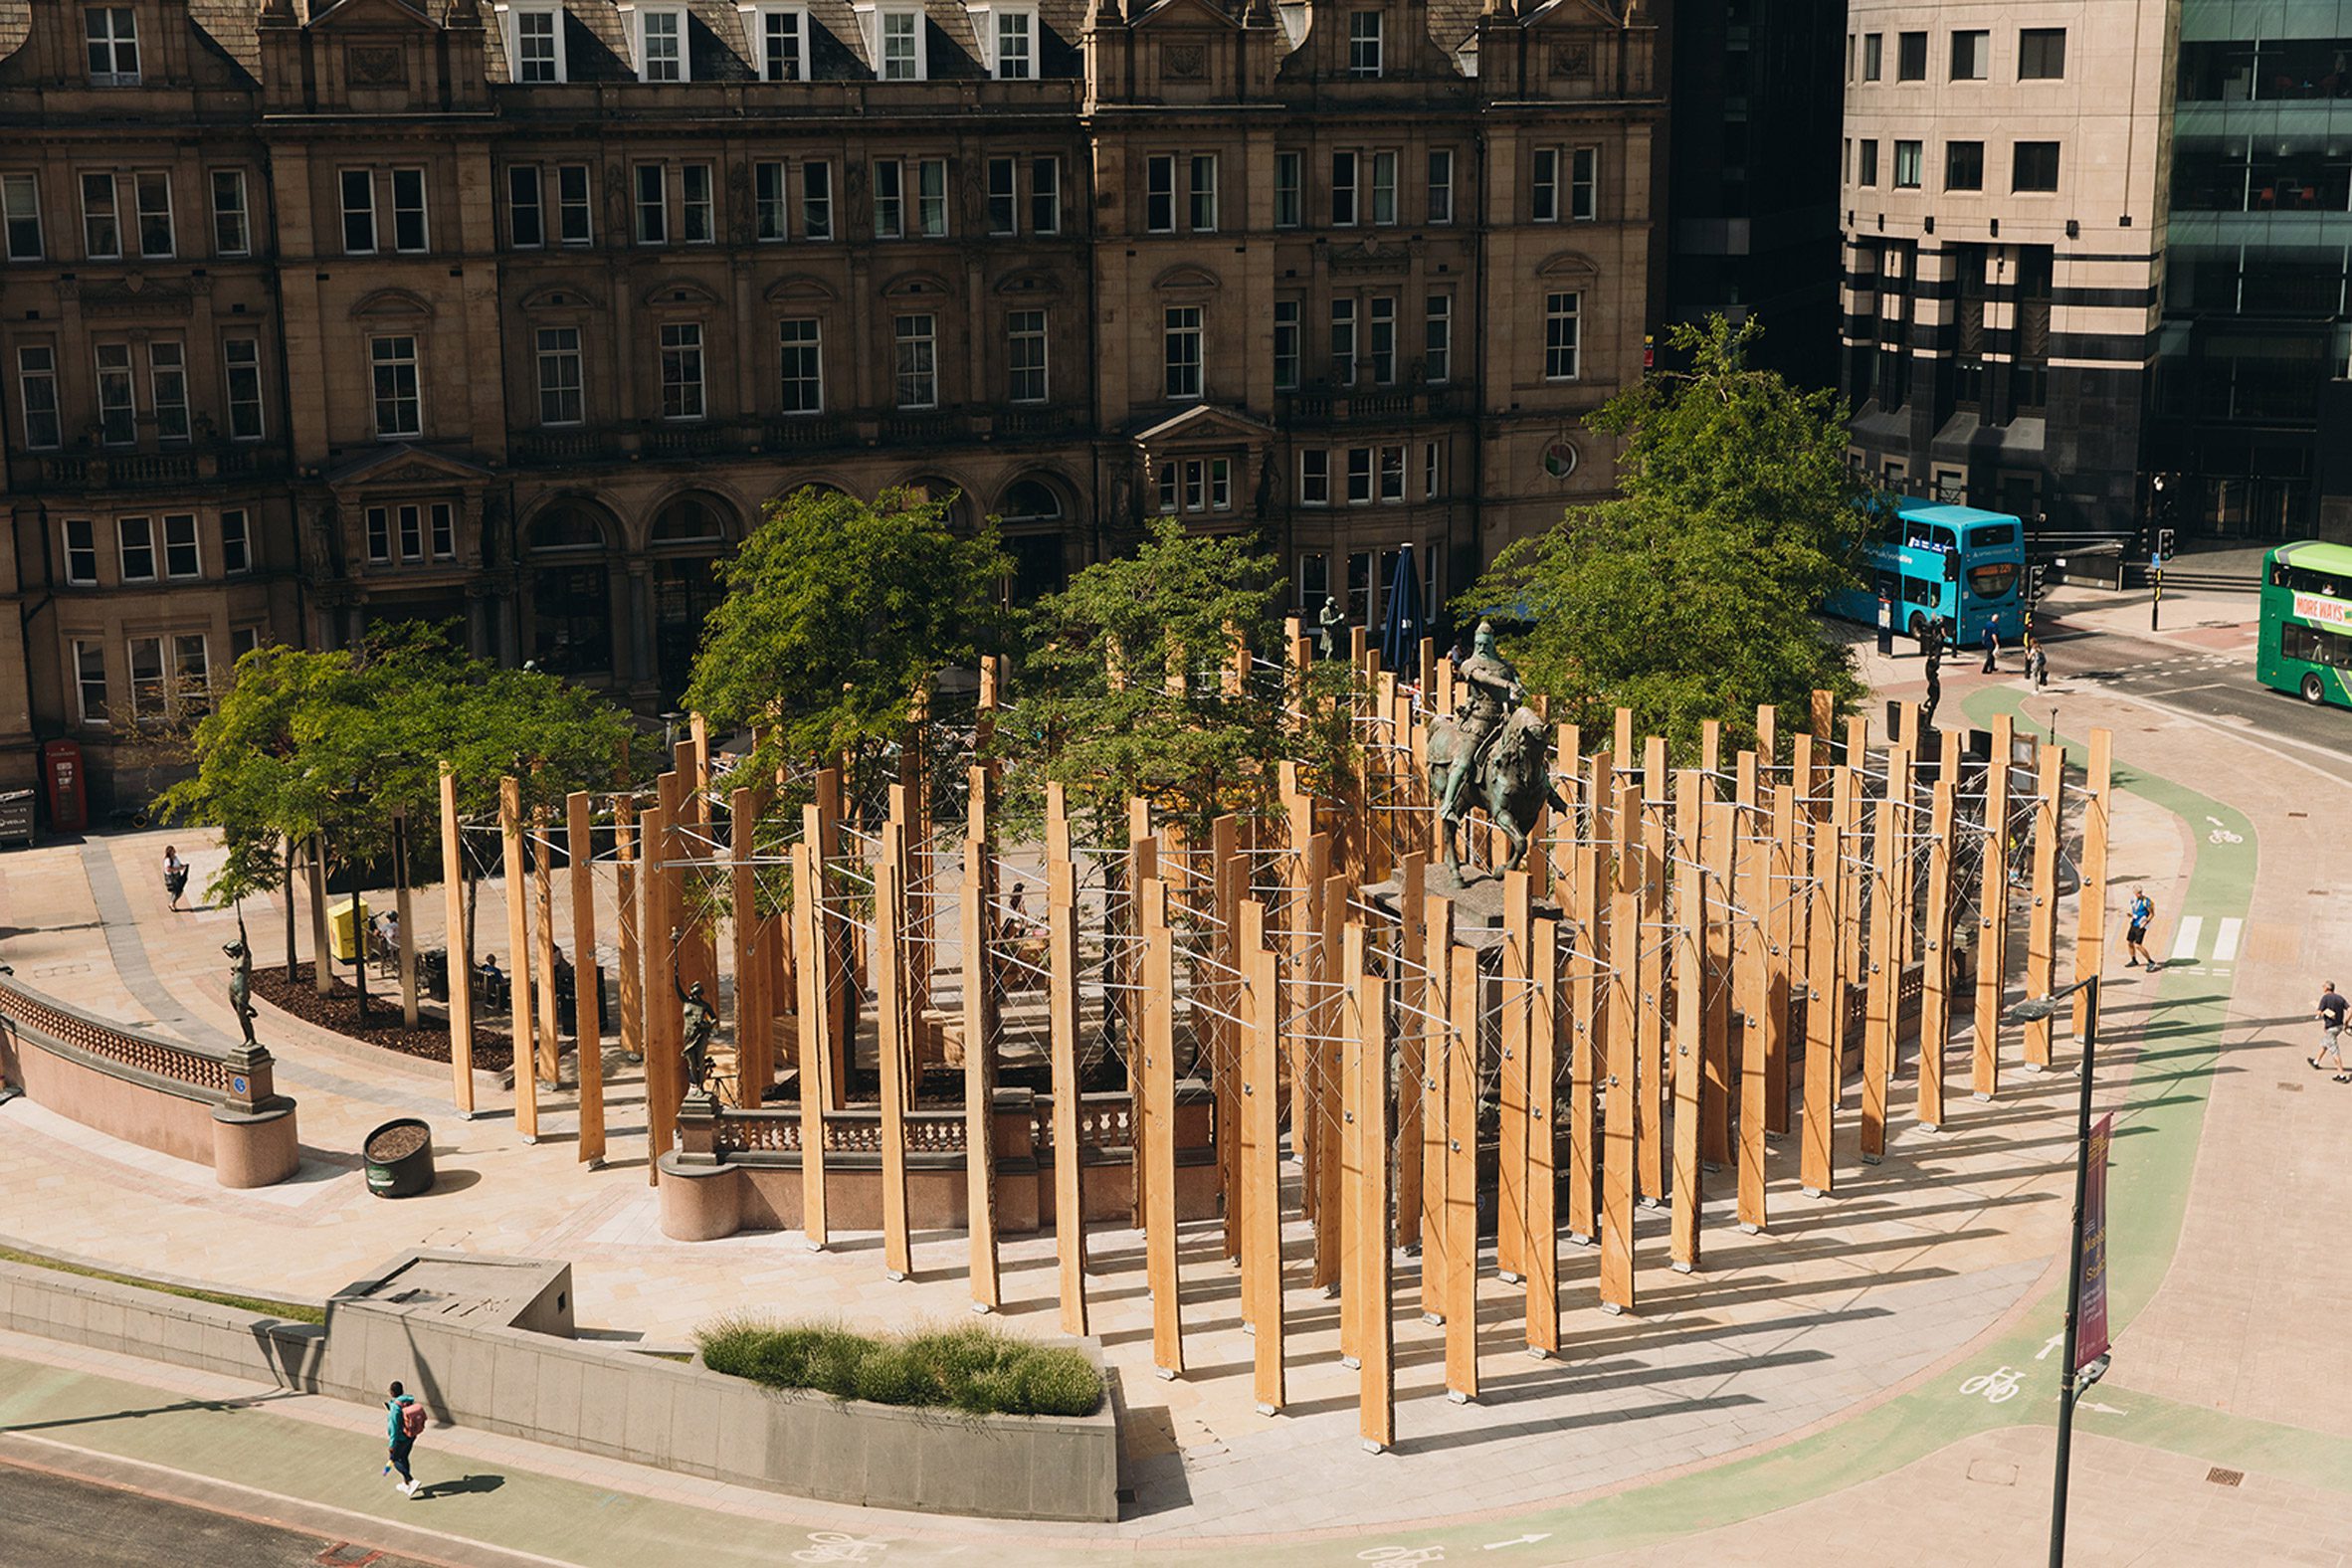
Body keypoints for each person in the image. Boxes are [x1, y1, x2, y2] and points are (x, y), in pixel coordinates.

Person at [384, 1380, 425, 1497]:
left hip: (401, 1438)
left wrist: (392, 1445)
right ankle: (406, 1484)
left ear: (392, 1393)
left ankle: (411, 1480)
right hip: (411, 1436)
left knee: (394, 1460)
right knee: (404, 1457)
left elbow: (394, 1428)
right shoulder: (408, 1401)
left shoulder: (395, 1409)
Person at [2313, 982, 2350, 1079]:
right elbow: (2350, 1009)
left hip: (2331, 1028)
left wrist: (2319, 1012)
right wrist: (2346, 1021)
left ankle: (2342, 1075)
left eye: (2323, 986)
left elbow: (2319, 1012)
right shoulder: (2340, 998)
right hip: (2339, 1027)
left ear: (2326, 988)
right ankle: (2316, 1062)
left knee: (2334, 1051)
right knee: (2325, 1043)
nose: (2323, 988)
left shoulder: (2325, 998)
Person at [2123, 886, 2158, 971]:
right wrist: (2131, 914)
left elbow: (2152, 914)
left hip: (2141, 924)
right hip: (2134, 923)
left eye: (2140, 893)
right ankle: (2134, 960)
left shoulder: (2147, 902)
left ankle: (2150, 961)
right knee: (2130, 942)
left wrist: (2146, 922)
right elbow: (2135, 910)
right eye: (2137, 893)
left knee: (2138, 945)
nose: (2139, 894)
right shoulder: (2133, 900)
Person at [162, 846, 189, 910]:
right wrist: (179, 868)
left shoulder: (175, 858)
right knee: (176, 891)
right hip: (171, 877)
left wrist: (183, 866)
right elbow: (168, 869)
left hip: (177, 875)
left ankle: (172, 903)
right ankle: (172, 904)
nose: (174, 851)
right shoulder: (168, 860)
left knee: (178, 891)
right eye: (173, 850)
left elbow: (178, 864)